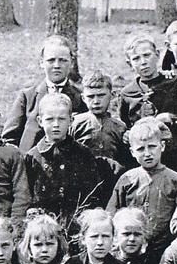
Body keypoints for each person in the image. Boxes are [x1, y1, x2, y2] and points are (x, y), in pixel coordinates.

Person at [25, 92, 122, 225]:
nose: (56, 124)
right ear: (40, 121)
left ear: (71, 120)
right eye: (50, 119)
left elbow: (92, 193)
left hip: (77, 222)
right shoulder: (32, 157)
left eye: (61, 119)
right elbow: (27, 196)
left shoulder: (83, 153)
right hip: (43, 225)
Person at [118, 35, 177, 182]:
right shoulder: (127, 93)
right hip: (145, 162)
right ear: (129, 63)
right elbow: (125, 124)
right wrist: (126, 134)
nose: (143, 62)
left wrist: (170, 118)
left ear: (157, 55)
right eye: (136, 58)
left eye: (147, 55)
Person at [108, 115, 177, 253]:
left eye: (152, 147)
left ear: (162, 146)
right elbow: (112, 213)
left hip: (163, 248)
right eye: (140, 149)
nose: (147, 153)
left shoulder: (176, 180)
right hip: (132, 248)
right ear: (132, 152)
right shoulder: (127, 179)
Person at [2, 34, 88, 152]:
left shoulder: (80, 98)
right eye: (51, 60)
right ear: (42, 62)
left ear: (72, 63)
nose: (57, 66)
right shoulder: (27, 96)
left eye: (62, 60)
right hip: (31, 159)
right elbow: (9, 138)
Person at [71, 69, 133, 169]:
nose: (96, 101)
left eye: (101, 95)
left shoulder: (119, 127)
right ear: (83, 98)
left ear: (112, 96)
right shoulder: (75, 124)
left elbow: (125, 160)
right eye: (91, 96)